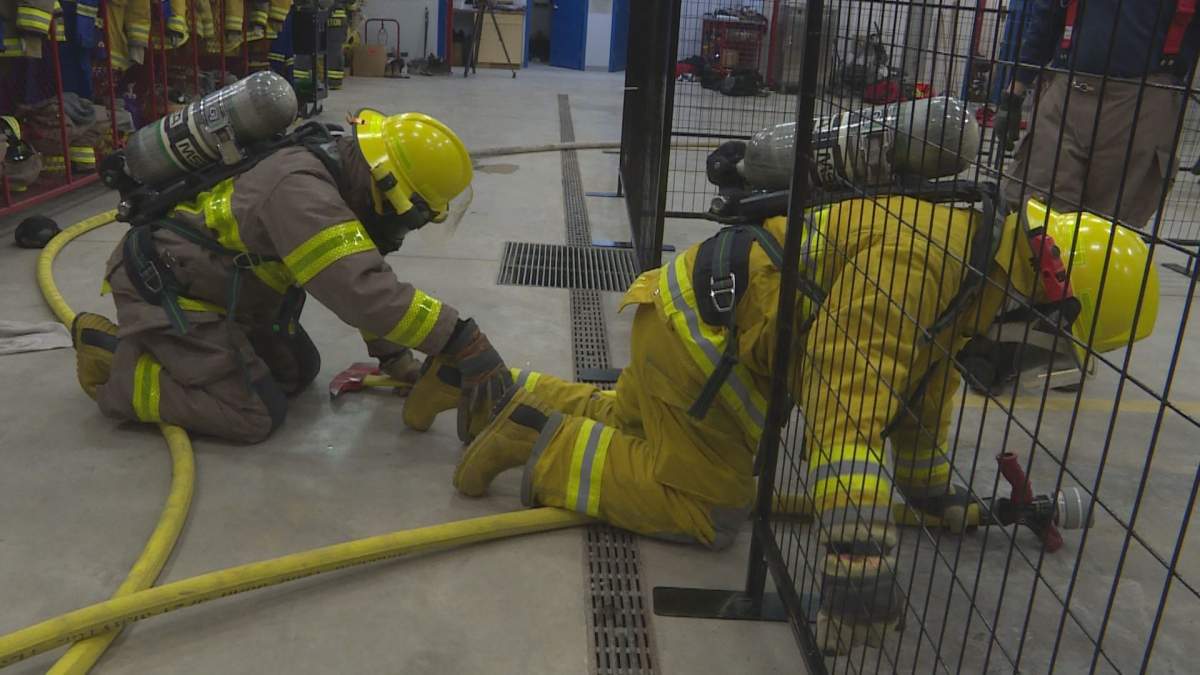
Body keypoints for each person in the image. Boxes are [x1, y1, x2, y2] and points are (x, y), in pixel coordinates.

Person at [406, 181, 1158, 653]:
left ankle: (506, 390)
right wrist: (858, 559)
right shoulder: (923, 264)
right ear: (1051, 299)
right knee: (707, 507)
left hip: (689, 322)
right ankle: (535, 436)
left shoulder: (972, 262)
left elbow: (919, 387)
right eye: (1053, 348)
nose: (1032, 364)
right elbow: (845, 410)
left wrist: (930, 491)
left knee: (643, 427)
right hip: (706, 346)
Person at [73, 109, 512, 443]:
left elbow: (358, 268)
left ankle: (175, 358)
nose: (402, 227)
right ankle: (119, 372)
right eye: (409, 216)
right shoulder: (301, 192)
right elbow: (358, 290)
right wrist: (459, 338)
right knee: (255, 414)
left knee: (298, 372)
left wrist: (395, 359)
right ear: (388, 186)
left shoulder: (343, 167)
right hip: (173, 295)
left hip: (223, 290)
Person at [995, 0, 1199, 228]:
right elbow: (1047, 18)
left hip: (1145, 103)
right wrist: (1014, 93)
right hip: (1067, 95)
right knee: (1032, 213)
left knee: (1108, 229)